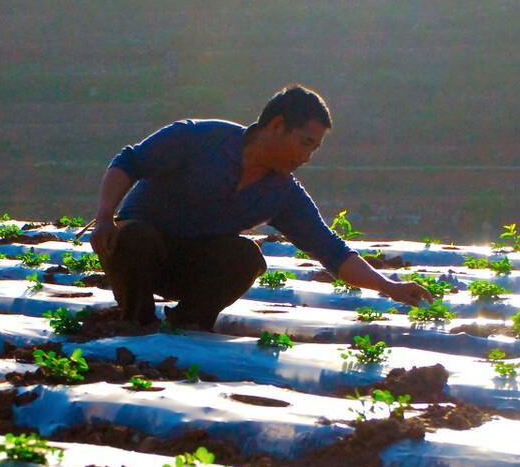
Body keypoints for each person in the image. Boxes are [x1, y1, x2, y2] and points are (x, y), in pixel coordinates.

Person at [89, 84, 433, 331]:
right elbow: (128, 162)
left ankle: (188, 325)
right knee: (135, 236)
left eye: (314, 149)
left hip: (192, 266)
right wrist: (105, 217)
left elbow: (331, 249)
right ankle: (137, 323)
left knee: (247, 256)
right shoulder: (197, 138)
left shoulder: (281, 191)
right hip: (141, 255)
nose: (307, 157)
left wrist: (390, 287)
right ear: (277, 126)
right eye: (304, 143)